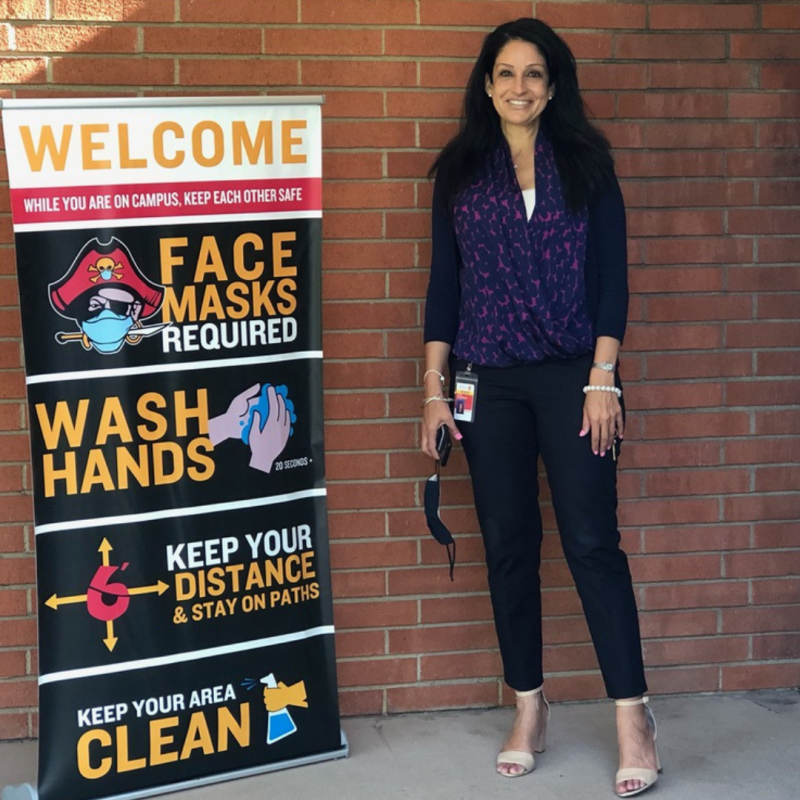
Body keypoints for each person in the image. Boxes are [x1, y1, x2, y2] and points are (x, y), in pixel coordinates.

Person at [420, 18, 660, 798]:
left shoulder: (587, 166)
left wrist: (603, 378)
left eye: (533, 74)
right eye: (505, 73)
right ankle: (530, 708)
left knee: (593, 540)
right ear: (486, 85)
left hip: (573, 379)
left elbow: (613, 282)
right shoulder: (459, 172)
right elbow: (444, 290)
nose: (518, 87)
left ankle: (634, 718)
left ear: (553, 86)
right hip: (486, 380)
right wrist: (433, 391)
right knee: (509, 544)